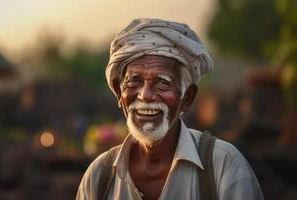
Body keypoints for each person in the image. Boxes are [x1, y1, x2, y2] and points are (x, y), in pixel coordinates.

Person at [76, 18, 264, 200]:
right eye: (134, 80)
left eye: (162, 82)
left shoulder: (224, 166)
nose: (145, 95)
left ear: (187, 98)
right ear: (119, 93)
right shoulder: (99, 176)